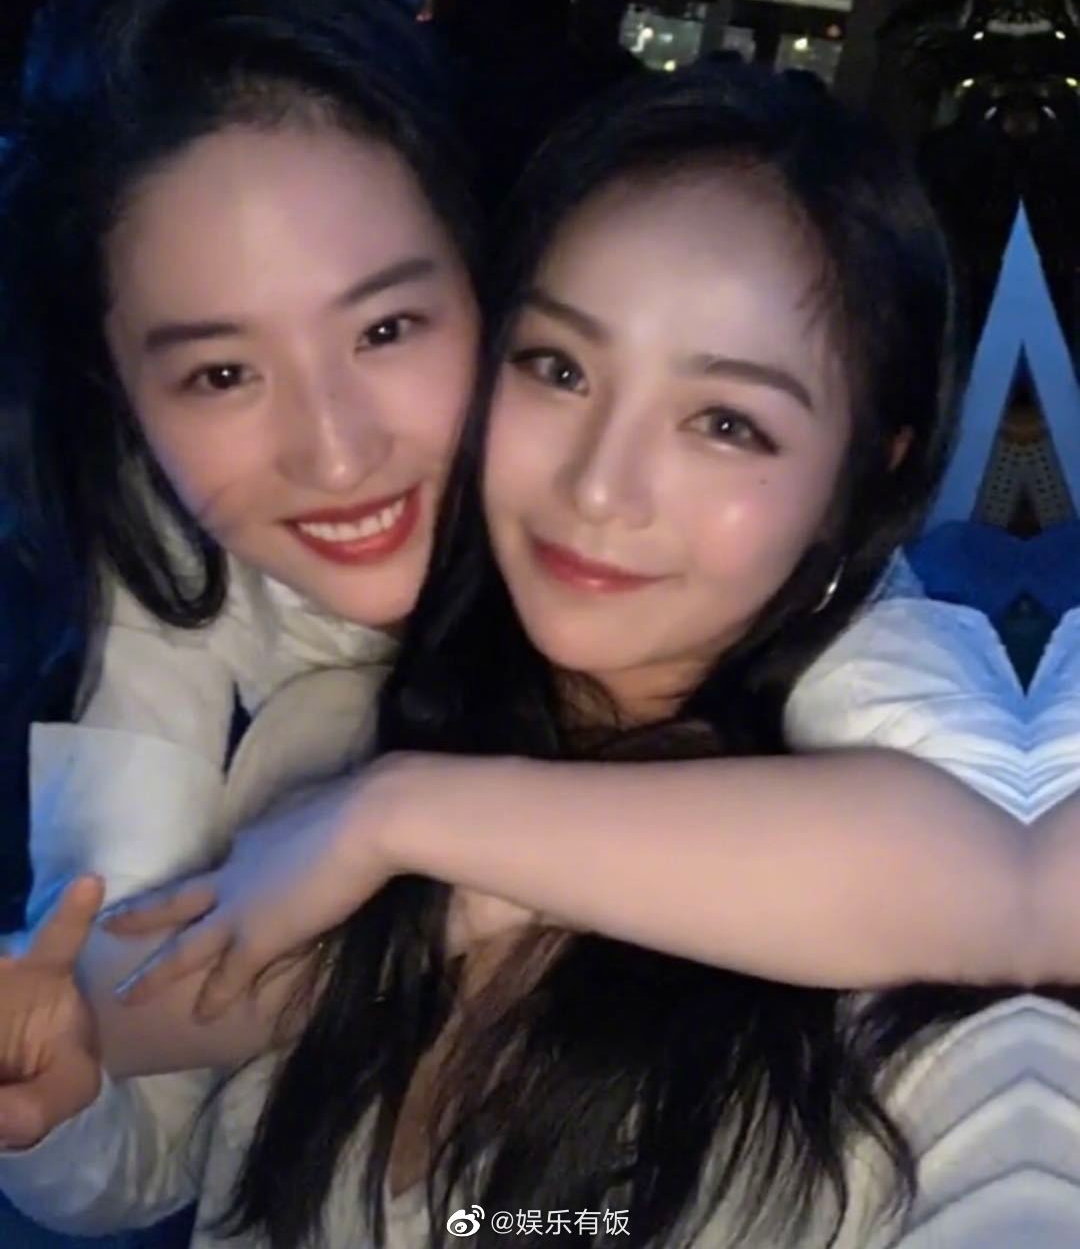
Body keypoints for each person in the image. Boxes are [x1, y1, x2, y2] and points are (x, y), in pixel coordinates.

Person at [0, 65, 1028, 1245]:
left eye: (727, 423)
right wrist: (56, 1063)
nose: (599, 487)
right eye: (560, 367)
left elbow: (1001, 893)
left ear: (870, 469)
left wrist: (402, 817)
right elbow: (136, 1022)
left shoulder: (888, 875)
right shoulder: (323, 731)